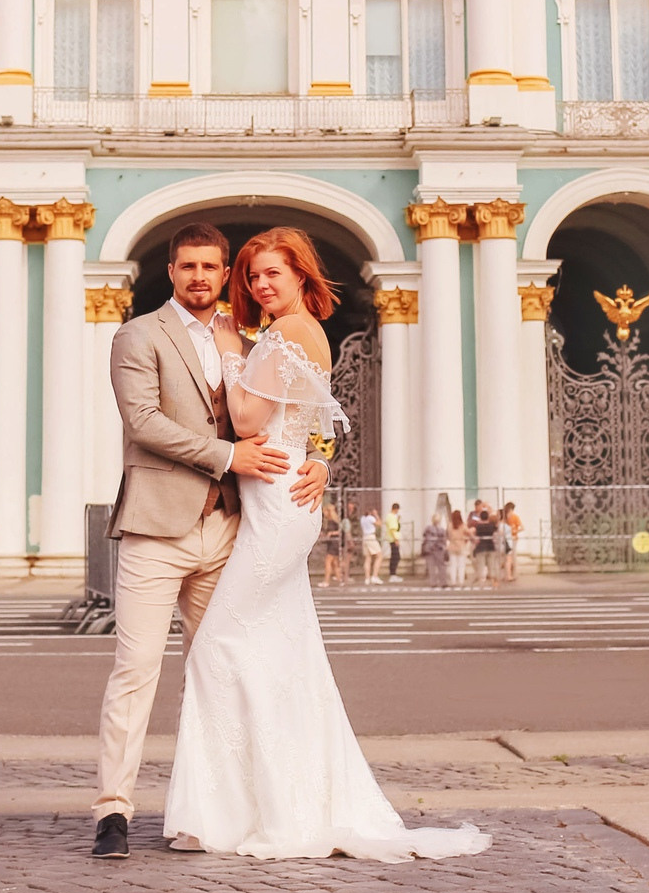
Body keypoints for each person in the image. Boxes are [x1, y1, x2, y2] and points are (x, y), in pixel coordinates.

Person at [160, 227, 489, 861]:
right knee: (285, 656)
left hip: (280, 510)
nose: (259, 285)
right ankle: (271, 802)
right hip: (279, 504)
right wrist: (323, 460)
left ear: (302, 278)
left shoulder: (284, 334)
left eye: (273, 274)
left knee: (217, 647)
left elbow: (252, 422)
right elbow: (316, 424)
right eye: (253, 275)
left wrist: (230, 348)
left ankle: (246, 811)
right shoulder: (290, 334)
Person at [91, 224, 328, 860]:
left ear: (225, 275)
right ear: (170, 271)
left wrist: (322, 459)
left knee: (223, 668)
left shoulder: (252, 339)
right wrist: (229, 455)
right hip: (155, 529)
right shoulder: (137, 335)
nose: (200, 276)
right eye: (188, 265)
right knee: (135, 671)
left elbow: (301, 405)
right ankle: (113, 810)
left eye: (212, 267)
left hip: (228, 529)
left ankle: (222, 809)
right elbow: (143, 425)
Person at [423, 507, 452, 588]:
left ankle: (433, 582)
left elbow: (425, 537)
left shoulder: (428, 528)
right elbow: (444, 539)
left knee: (431, 566)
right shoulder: (442, 529)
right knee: (442, 566)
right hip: (439, 549)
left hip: (429, 549)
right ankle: (443, 582)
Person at [499, 501, 521, 584]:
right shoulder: (505, 524)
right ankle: (508, 575)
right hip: (507, 543)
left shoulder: (501, 524)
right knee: (508, 560)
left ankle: (506, 575)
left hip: (505, 542)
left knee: (505, 560)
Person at [359, 508, 382, 584]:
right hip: (371, 537)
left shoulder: (362, 518)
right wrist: (376, 515)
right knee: (379, 556)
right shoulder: (370, 518)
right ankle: (374, 576)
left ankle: (367, 578)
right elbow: (380, 524)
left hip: (365, 537)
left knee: (368, 558)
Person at [384, 502, 405, 583]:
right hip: (393, 539)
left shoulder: (391, 517)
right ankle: (393, 574)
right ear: (396, 509)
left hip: (391, 538)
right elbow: (393, 529)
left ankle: (393, 574)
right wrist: (396, 539)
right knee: (396, 557)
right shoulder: (391, 517)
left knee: (395, 556)